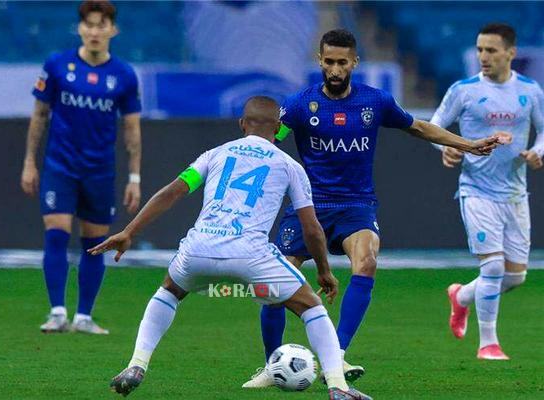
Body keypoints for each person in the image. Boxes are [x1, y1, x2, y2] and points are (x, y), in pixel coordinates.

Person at [243, 29, 502, 388]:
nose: (335, 69)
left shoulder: (375, 102)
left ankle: (338, 353)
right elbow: (269, 144)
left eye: (342, 62)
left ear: (354, 63)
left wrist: (468, 144)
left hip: (356, 206)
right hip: (309, 206)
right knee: (273, 284)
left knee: (366, 260)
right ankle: (271, 367)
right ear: (320, 61)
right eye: (329, 62)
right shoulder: (301, 105)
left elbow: (421, 127)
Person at [89, 96, 372, 400]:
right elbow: (311, 227)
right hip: (250, 254)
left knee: (169, 291)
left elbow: (172, 193)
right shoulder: (289, 166)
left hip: (199, 248)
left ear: (241, 124)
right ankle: (338, 387)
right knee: (311, 307)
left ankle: (136, 365)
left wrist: (129, 231)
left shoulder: (214, 154)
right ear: (278, 128)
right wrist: (324, 270)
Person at [20, 0, 142, 334]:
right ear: (80, 28)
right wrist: (30, 162)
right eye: (88, 25)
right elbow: (39, 116)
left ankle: (84, 317)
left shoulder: (124, 75)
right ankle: (57, 312)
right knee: (56, 233)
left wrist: (134, 176)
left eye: (101, 25)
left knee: (95, 243)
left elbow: (131, 129)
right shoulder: (57, 66)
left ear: (112, 30)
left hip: (99, 171)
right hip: (60, 166)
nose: (94, 32)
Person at [431, 23, 543, 360]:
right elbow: (434, 126)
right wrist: (445, 148)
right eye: (480, 50)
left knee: (515, 276)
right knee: (493, 268)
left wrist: (538, 152)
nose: (484, 57)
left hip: (514, 194)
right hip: (476, 190)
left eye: (491, 50)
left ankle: (461, 296)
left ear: (510, 53)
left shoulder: (530, 90)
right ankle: (488, 344)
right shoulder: (464, 90)